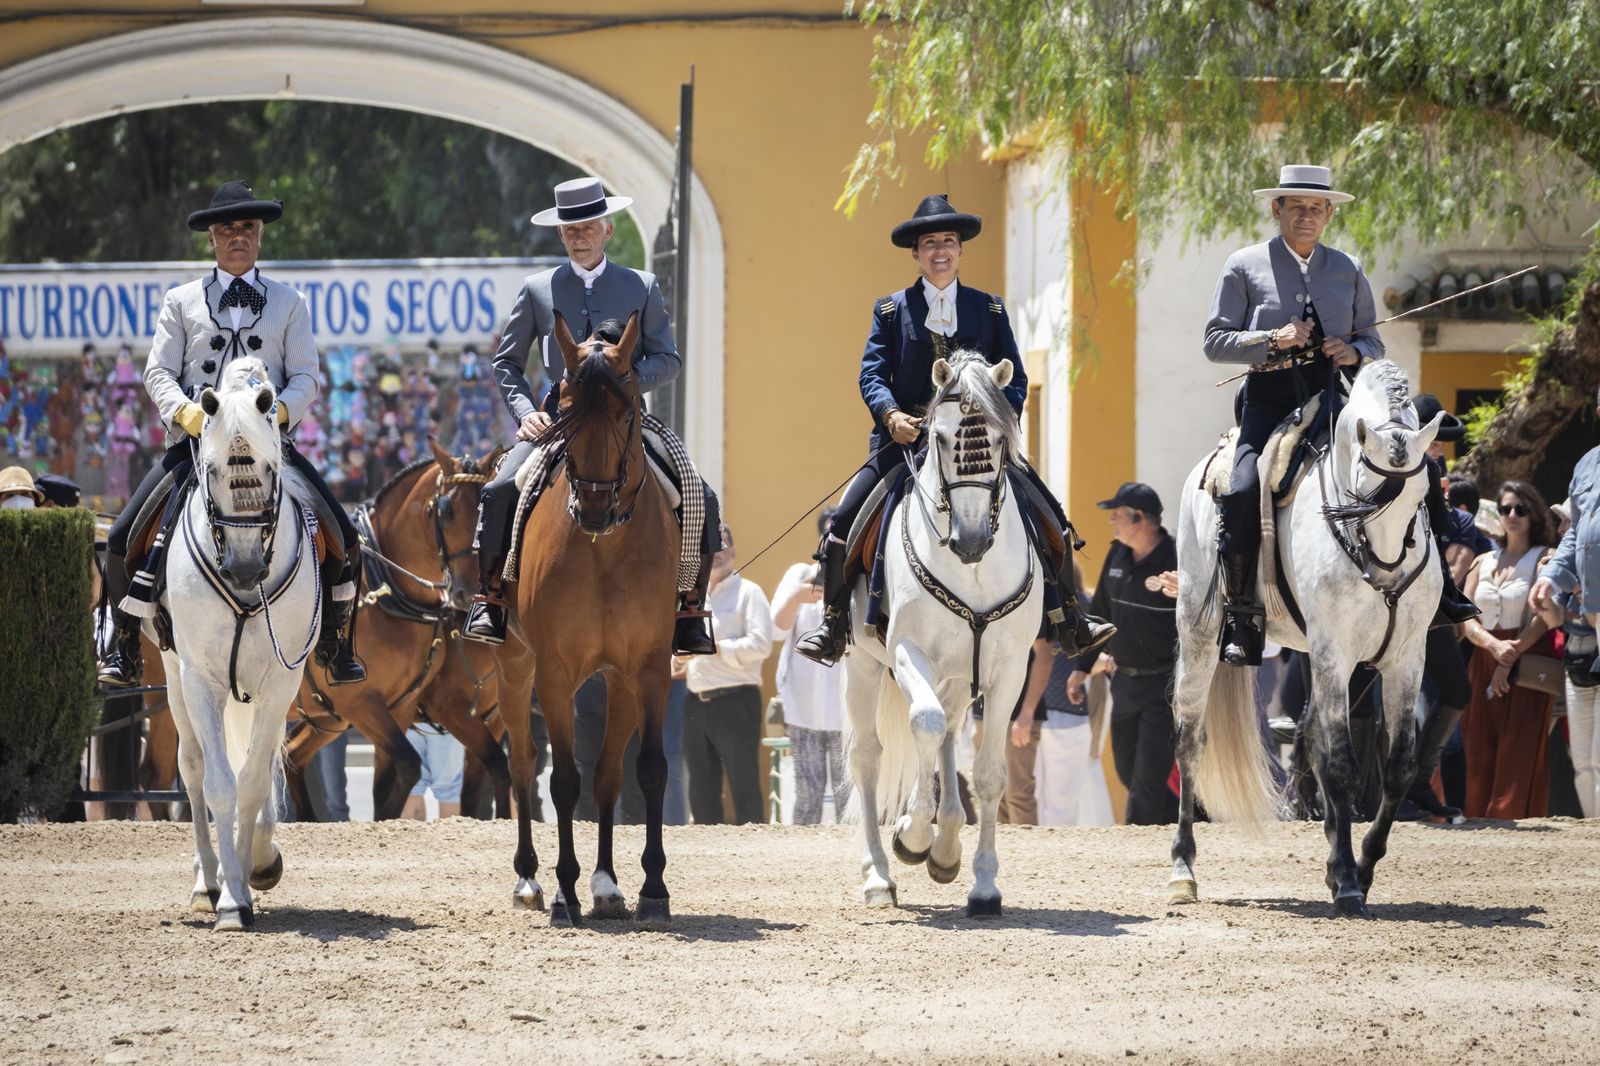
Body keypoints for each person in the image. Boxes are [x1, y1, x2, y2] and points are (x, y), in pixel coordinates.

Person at [794, 193, 1114, 665]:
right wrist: (890, 415)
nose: (940, 250)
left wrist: (994, 422)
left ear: (960, 250)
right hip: (905, 443)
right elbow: (872, 374)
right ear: (916, 253)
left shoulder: (990, 310)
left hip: (976, 445)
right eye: (930, 243)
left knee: (1051, 514)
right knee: (844, 520)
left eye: (948, 241)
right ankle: (834, 622)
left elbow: (1016, 380)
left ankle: (1070, 616)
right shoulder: (890, 311)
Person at [1202, 164, 1478, 666]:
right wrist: (1271, 339)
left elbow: (1371, 339)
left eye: (1316, 208)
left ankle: (1442, 589)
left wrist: (1353, 351)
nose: (1307, 216)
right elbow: (1215, 341)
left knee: (1412, 466)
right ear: (1277, 208)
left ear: (1329, 213)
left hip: (1334, 398)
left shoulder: (1348, 268)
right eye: (1297, 207)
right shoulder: (1243, 265)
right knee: (1241, 488)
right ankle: (1242, 614)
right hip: (1268, 399)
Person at [95, 181, 365, 688]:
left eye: (246, 227)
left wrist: (275, 415)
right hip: (196, 446)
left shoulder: (290, 301)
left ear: (260, 236)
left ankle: (336, 640)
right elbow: (158, 372)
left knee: (344, 536)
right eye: (226, 229)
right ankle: (124, 647)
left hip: (269, 448)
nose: (237, 236)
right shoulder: (180, 301)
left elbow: (306, 376)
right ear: (212, 239)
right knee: (120, 536)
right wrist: (187, 415)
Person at [463, 176, 718, 655]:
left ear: (607, 230)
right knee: (499, 489)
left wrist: (623, 384)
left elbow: (668, 359)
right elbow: (506, 363)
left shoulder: (641, 285)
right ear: (561, 234)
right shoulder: (538, 289)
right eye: (571, 229)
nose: (579, 236)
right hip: (557, 421)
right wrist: (525, 413)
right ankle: (490, 597)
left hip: (625, 419)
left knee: (698, 491)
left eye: (588, 227)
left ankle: (690, 609)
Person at [1068, 482, 1180, 825]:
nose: (1111, 520)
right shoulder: (1117, 553)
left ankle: (1136, 840)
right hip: (1123, 683)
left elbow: (1202, 617)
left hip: (1163, 687)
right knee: (1126, 769)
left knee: (1147, 778)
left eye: (1117, 514)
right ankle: (1176, 820)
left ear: (1139, 518)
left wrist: (1187, 591)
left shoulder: (1177, 558)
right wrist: (1082, 667)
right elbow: (1100, 614)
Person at [1459, 481, 1559, 819]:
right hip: (1483, 658)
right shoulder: (1482, 561)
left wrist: (1510, 654)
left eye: (1520, 509)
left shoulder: (1546, 558)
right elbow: (1465, 618)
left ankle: (1511, 818)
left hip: (1528, 657)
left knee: (1520, 746)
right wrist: (1493, 646)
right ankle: (1475, 819)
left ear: (1534, 514)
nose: (1512, 515)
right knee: (1477, 744)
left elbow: (1546, 619)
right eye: (1505, 509)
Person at [682, 524, 772, 825]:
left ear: (733, 550)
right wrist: (678, 658)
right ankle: (708, 851)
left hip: (736, 700)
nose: (716, 552)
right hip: (695, 702)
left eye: (722, 545)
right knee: (701, 791)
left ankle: (754, 849)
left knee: (743, 786)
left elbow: (761, 645)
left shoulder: (749, 592)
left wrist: (716, 647)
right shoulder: (691, 595)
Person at [771, 509, 853, 824]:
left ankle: (848, 849)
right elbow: (776, 629)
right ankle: (802, 850)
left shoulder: (857, 576)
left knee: (848, 794)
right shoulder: (799, 574)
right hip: (802, 709)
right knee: (807, 794)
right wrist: (800, 595)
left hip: (847, 711)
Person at [402, 721, 464, 821]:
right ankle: (449, 830)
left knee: (411, 786)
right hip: (445, 721)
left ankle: (412, 830)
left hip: (409, 720)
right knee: (448, 788)